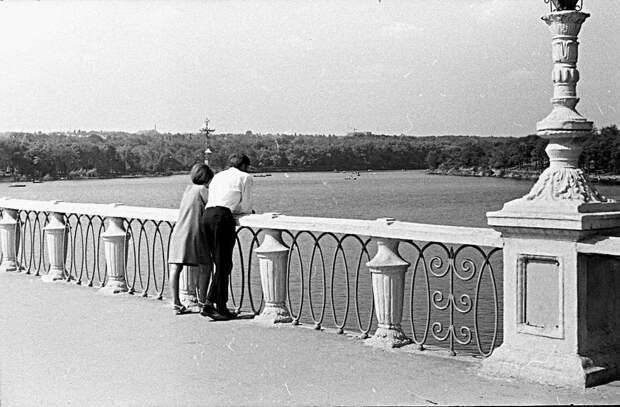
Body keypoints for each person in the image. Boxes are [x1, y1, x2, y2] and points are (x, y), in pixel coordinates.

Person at [201, 153, 254, 321]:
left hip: (207, 216)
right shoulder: (245, 177)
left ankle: (217, 305)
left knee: (220, 264)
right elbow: (245, 205)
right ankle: (213, 305)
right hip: (222, 218)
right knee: (224, 264)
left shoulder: (218, 176)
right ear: (245, 166)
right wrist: (245, 212)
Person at [168, 163, 214, 315]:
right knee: (206, 266)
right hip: (195, 232)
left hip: (179, 231)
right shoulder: (202, 190)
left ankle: (175, 302)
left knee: (176, 267)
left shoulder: (188, 189)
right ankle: (202, 303)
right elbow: (213, 205)